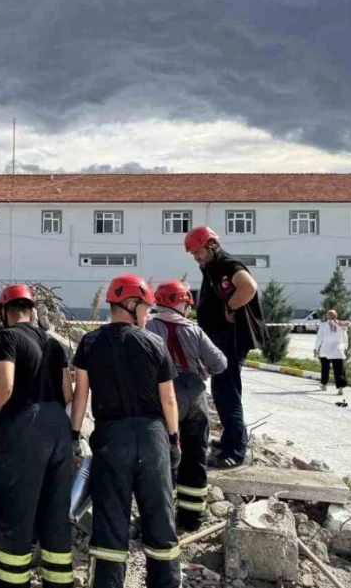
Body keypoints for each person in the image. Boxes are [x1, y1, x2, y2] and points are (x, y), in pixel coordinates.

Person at [70, 274, 182, 588]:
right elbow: (169, 398)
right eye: (146, 308)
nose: (148, 314)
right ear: (131, 304)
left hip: (110, 441)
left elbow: (81, 393)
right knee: (160, 520)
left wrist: (74, 435)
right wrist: (174, 440)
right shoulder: (154, 343)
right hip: (152, 439)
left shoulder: (90, 342)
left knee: (109, 524)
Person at [0, 284, 74, 588]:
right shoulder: (53, 343)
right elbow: (68, 392)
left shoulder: (7, 338)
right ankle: (59, 582)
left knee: (16, 510)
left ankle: (13, 583)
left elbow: (5, 386)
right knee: (55, 511)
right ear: (33, 310)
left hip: (25, 426)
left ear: (3, 313)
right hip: (58, 427)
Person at [145, 280, 227, 531]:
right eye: (186, 303)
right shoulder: (194, 330)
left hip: (164, 397)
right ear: (178, 302)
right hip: (196, 398)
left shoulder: (148, 327)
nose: (188, 309)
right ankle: (192, 519)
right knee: (195, 456)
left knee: (165, 457)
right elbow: (220, 363)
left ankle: (163, 519)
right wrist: (202, 369)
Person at [184, 226, 268, 469]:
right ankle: (230, 440)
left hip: (230, 340)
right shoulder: (213, 266)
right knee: (224, 393)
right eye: (193, 254)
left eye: (197, 251)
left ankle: (235, 452)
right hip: (221, 339)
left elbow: (249, 287)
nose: (196, 257)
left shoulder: (227, 264)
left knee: (227, 393)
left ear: (210, 245)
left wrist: (230, 307)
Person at [315, 309, 348, 395]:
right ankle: (340, 387)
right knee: (339, 369)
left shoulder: (323, 325)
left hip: (325, 349)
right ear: (336, 316)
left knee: (325, 368)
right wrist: (345, 347)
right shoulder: (342, 325)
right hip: (338, 350)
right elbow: (345, 337)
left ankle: (323, 384)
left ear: (327, 316)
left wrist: (316, 348)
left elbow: (319, 337)